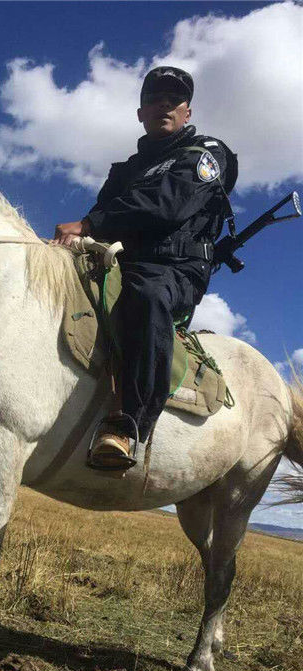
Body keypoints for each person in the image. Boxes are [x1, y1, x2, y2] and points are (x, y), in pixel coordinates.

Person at [54, 66, 237, 470]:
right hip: (122, 259)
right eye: (155, 98)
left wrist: (89, 225)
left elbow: (170, 203)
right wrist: (74, 240)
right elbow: (101, 214)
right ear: (141, 112)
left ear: (187, 112)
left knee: (145, 295)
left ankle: (128, 426)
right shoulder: (123, 171)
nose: (164, 105)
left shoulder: (206, 153)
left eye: (174, 99)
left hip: (174, 269)